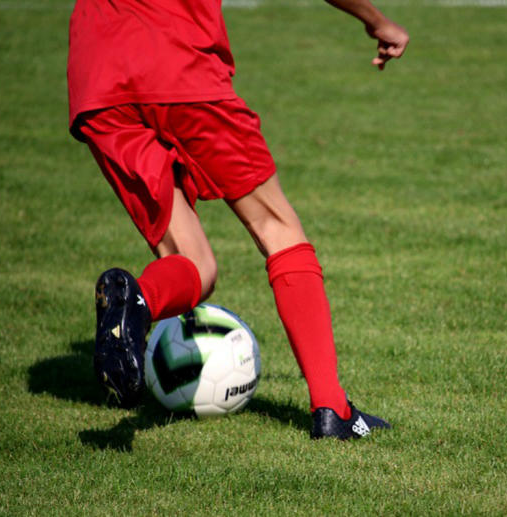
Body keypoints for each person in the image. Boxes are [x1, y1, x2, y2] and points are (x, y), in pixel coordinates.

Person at [67, 0, 408, 439]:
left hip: (96, 76)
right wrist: (375, 20)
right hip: (178, 61)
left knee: (196, 266)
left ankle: (139, 302)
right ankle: (331, 408)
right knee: (277, 227)